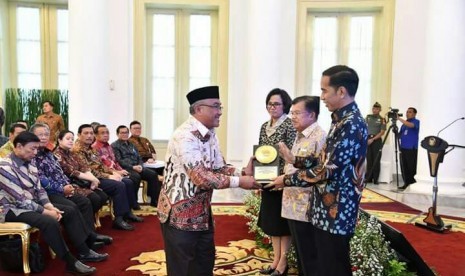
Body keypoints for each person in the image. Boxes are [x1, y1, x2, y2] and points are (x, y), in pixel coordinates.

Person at [267, 65, 368, 276]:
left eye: (324, 90)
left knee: (333, 267)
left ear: (341, 91)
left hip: (337, 210)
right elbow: (323, 159)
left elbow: (326, 170)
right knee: (322, 264)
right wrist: (295, 160)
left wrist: (286, 180)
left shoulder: (351, 124)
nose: (321, 96)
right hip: (326, 208)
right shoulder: (340, 120)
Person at [158, 86, 260, 276]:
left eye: (220, 107)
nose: (220, 112)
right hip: (179, 213)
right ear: (199, 109)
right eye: (215, 107)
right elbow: (201, 177)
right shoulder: (184, 136)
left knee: (204, 261)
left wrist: (242, 172)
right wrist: (240, 182)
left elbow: (218, 166)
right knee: (183, 267)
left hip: (203, 212)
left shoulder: (210, 134)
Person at [0, 132, 104, 275]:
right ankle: (70, 262)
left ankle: (84, 251)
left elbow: (40, 189)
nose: (35, 152)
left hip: (32, 204)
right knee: (49, 221)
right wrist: (46, 212)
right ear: (18, 146)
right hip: (10, 209)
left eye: (37, 149)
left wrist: (49, 205)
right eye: (32, 149)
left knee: (67, 210)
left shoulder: (30, 163)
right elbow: (20, 199)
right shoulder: (4, 166)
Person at [30, 123, 113, 249]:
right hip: (46, 193)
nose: (44, 137)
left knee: (85, 201)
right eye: (40, 134)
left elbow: (60, 173)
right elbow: (41, 180)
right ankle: (83, 247)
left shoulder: (48, 153)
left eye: (46, 134)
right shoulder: (33, 154)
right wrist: (62, 188)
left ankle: (89, 237)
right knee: (75, 206)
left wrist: (67, 186)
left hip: (63, 188)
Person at [278, 96, 326, 276]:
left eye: (297, 113)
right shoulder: (300, 135)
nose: (292, 117)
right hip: (293, 203)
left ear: (312, 114)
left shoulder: (319, 137)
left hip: (306, 206)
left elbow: (317, 172)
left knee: (309, 255)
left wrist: (285, 179)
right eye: (292, 113)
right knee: (300, 254)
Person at [73, 124, 143, 231]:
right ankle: (118, 219)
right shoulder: (77, 150)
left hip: (100, 176)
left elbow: (101, 165)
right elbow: (88, 170)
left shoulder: (90, 148)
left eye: (91, 133)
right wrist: (109, 176)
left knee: (128, 182)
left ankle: (127, 212)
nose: (89, 136)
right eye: (86, 133)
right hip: (89, 180)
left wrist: (113, 173)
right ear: (79, 135)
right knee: (119, 185)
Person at [256, 88, 296, 276]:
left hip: (282, 180)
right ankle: (275, 260)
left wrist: (284, 178)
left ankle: (283, 262)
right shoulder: (264, 126)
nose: (272, 107)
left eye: (277, 103)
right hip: (266, 177)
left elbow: (292, 155)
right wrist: (258, 177)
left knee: (282, 223)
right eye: (270, 103)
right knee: (272, 221)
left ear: (285, 105)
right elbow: (261, 153)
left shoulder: (289, 125)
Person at [54, 130, 109, 217]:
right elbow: (72, 171)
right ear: (59, 140)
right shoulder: (57, 154)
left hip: (82, 183)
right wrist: (93, 179)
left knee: (103, 196)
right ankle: (84, 221)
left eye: (72, 139)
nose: (71, 141)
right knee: (94, 198)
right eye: (68, 139)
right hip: (70, 185)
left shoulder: (72, 153)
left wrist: (94, 180)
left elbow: (84, 167)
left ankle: (86, 219)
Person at [92, 124, 141, 211]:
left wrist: (120, 170)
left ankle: (129, 210)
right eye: (102, 133)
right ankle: (121, 215)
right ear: (96, 135)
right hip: (105, 175)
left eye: (107, 133)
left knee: (129, 181)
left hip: (115, 172)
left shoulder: (108, 146)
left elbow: (115, 162)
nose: (106, 135)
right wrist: (116, 172)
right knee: (125, 183)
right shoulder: (94, 148)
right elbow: (100, 166)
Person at [112, 125, 161, 207]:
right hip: (126, 168)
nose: (125, 134)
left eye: (126, 133)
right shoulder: (114, 146)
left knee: (153, 174)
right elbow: (119, 160)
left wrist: (140, 165)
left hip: (137, 167)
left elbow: (138, 156)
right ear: (117, 134)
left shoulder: (131, 144)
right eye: (122, 133)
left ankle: (154, 200)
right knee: (136, 177)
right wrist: (132, 167)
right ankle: (133, 202)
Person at [398, 107, 420, 190]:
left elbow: (411, 126)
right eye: (407, 112)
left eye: (410, 112)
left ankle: (413, 184)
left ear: (414, 114)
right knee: (404, 167)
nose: (407, 113)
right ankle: (406, 183)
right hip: (403, 148)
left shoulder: (416, 122)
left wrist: (399, 118)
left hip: (412, 148)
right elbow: (400, 135)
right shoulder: (404, 124)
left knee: (411, 167)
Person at [365, 102, 386, 184]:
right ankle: (368, 178)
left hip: (376, 140)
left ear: (380, 110)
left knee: (376, 160)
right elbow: (364, 127)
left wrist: (372, 139)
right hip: (367, 139)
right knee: (369, 160)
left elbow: (382, 132)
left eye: (377, 109)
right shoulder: (368, 117)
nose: (374, 110)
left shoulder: (382, 119)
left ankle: (376, 179)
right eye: (373, 108)